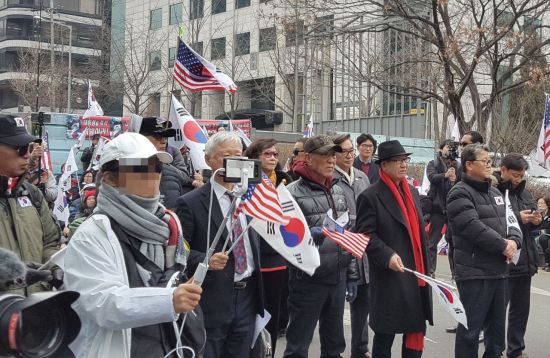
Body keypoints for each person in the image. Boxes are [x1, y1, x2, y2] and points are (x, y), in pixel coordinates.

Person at [64, 132, 203, 358]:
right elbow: (101, 303)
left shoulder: (169, 225)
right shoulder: (93, 234)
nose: (153, 175)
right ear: (109, 178)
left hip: (170, 346)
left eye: (157, 167)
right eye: (140, 169)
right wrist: (168, 301)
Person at [176, 132, 265, 358]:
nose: (235, 161)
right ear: (209, 160)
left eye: (239, 155)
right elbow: (179, 252)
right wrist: (204, 259)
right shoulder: (191, 203)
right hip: (212, 299)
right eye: (227, 156)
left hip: (248, 296)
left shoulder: (251, 198)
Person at [355, 140, 433, 358]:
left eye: (405, 160)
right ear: (384, 165)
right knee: (385, 334)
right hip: (390, 275)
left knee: (416, 329)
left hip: (416, 273)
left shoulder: (411, 191)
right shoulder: (370, 196)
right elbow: (365, 235)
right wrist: (387, 254)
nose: (403, 165)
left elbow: (418, 232)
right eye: (397, 161)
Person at [283, 134, 359, 358]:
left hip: (337, 277)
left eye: (333, 155)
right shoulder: (291, 193)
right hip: (307, 281)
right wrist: (308, 240)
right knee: (298, 346)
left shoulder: (337, 189)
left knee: (334, 347)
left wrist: (352, 274)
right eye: (325, 155)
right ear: (307, 158)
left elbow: (347, 234)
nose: (331, 160)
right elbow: (285, 244)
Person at [446, 144, 522, 358]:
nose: (490, 166)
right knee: (470, 333)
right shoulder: (459, 193)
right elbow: (472, 227)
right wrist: (503, 245)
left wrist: (515, 241)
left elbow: (512, 222)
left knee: (496, 337)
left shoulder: (495, 192)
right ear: (469, 165)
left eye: (490, 161)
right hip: (474, 273)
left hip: (499, 271)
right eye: (485, 162)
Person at [0, 115, 61, 295]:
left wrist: (54, 266)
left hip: (36, 309)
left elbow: (51, 242)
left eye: (29, 147)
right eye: (20, 148)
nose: (28, 154)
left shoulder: (33, 194)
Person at [244, 138, 292, 355]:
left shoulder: (284, 181)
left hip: (278, 259)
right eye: (267, 154)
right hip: (253, 259)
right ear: (254, 158)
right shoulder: (244, 183)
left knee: (272, 318)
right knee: (250, 320)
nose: (273, 157)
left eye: (275, 154)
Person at [494, 154, 541, 358]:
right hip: (503, 261)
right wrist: (519, 219)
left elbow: (530, 220)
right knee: (496, 312)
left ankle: (516, 350)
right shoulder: (492, 191)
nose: (518, 179)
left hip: (525, 259)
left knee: (520, 312)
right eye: (515, 175)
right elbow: (491, 224)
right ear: (503, 170)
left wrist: (535, 219)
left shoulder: (524, 193)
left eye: (521, 175)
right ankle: (494, 349)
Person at [332, 134, 371, 358]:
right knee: (337, 307)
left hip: (364, 247)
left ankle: (361, 349)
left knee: (362, 304)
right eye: (344, 151)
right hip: (341, 247)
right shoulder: (331, 178)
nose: (349, 155)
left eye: (351, 151)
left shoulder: (361, 178)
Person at [139, 117, 191, 210]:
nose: (164, 141)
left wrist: (163, 165)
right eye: (157, 137)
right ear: (141, 137)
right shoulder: (126, 166)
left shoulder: (173, 152)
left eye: (165, 137)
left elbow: (185, 177)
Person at [426, 139, 459, 275]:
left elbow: (462, 181)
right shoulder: (433, 163)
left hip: (453, 207)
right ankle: (430, 270)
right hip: (437, 208)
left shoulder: (458, 165)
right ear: (441, 149)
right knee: (432, 242)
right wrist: (445, 175)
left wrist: (455, 179)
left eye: (452, 147)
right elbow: (431, 177)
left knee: (454, 242)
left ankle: (455, 272)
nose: (450, 149)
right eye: (448, 147)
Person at [535, 197, 550, 271]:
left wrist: (544, 231)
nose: (539, 205)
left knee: (545, 239)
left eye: (541, 203)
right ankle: (547, 262)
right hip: (540, 235)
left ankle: (548, 262)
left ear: (547, 205)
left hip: (547, 235)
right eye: (538, 203)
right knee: (542, 238)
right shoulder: (537, 215)